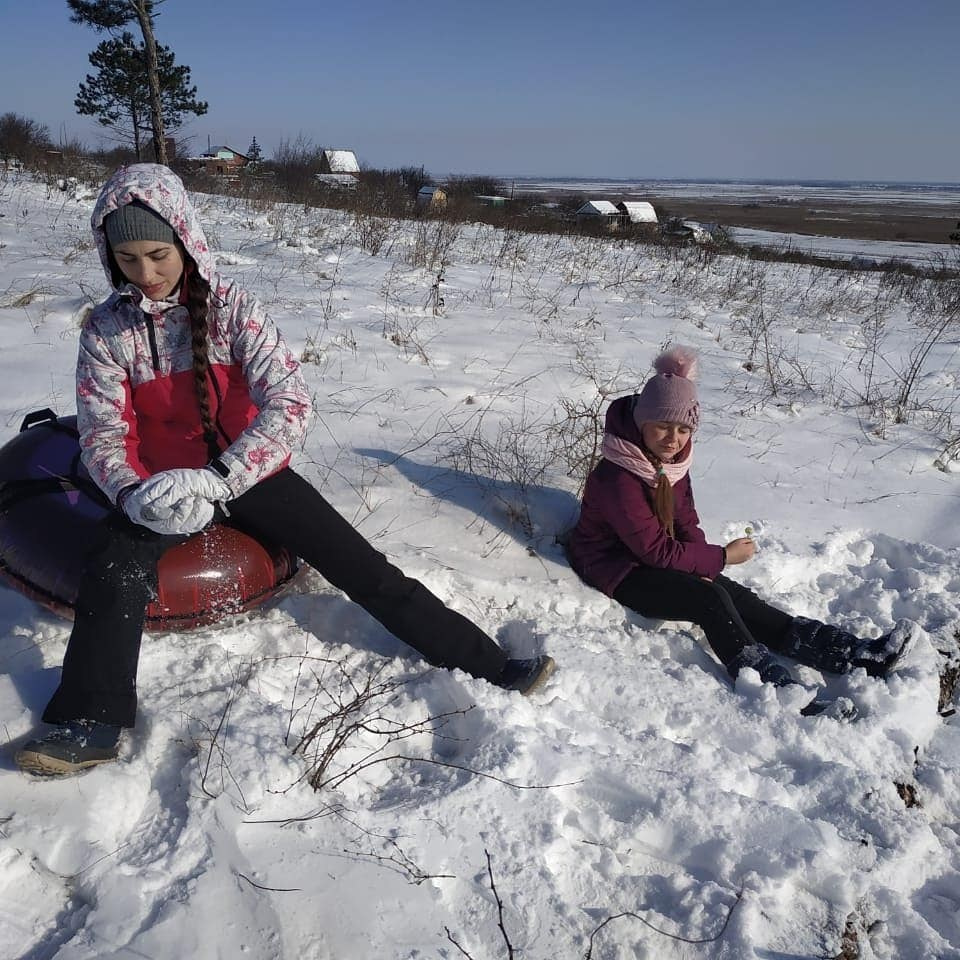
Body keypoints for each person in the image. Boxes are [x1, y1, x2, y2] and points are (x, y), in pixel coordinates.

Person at [15, 164, 554, 776]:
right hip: (161, 488)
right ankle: (90, 720)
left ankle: (487, 663)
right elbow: (103, 431)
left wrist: (223, 476)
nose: (147, 273)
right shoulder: (107, 330)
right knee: (113, 566)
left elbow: (290, 402)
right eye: (128, 259)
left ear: (186, 240)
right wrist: (134, 493)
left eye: (159, 255)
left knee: (362, 566)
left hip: (247, 473)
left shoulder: (232, 310)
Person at [567, 344, 911, 715]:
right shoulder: (618, 477)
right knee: (710, 601)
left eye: (683, 429)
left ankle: (854, 654)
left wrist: (704, 566)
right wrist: (721, 557)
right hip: (616, 568)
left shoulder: (671, 464)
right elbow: (655, 551)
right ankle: (775, 687)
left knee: (740, 600)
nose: (673, 438)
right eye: (663, 426)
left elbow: (685, 523)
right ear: (641, 422)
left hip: (650, 559)